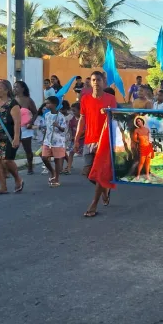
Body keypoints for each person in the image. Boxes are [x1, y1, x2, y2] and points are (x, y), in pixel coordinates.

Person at [73, 71, 118, 217]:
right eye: (93, 80)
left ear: (103, 82)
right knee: (87, 173)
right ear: (90, 82)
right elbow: (82, 119)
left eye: (98, 80)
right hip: (89, 140)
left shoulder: (110, 99)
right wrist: (76, 138)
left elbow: (115, 121)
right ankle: (105, 189)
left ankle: (94, 203)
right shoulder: (85, 99)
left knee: (98, 174)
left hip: (104, 141)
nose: (96, 82)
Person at [0, 79, 24, 196]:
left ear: (6, 90)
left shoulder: (13, 104)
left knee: (7, 160)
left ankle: (18, 179)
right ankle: (2, 187)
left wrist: (16, 138)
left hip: (10, 136)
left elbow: (17, 122)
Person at [41, 97, 70, 187]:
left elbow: (63, 130)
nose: (46, 105)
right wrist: (44, 138)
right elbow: (46, 127)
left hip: (58, 141)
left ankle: (56, 178)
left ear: (54, 105)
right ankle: (52, 171)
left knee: (57, 161)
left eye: (48, 103)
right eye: (46, 103)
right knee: (44, 157)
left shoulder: (61, 116)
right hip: (48, 141)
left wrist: (58, 126)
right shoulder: (47, 115)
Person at [14, 81, 38, 174]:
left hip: (25, 129)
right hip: (14, 128)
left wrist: (31, 122)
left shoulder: (28, 100)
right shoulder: (12, 100)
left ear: (23, 89)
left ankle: (30, 167)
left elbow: (35, 112)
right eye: (14, 87)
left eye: (17, 87)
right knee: (12, 148)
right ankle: (9, 169)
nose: (14, 89)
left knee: (27, 149)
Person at [133, 116, 154, 181]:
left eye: (139, 121)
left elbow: (149, 138)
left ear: (142, 121)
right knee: (141, 162)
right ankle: (138, 175)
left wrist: (149, 142)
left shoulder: (147, 129)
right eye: (137, 122)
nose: (138, 123)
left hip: (148, 147)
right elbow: (135, 139)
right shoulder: (136, 130)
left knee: (148, 162)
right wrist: (140, 141)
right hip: (142, 148)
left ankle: (147, 175)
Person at [67, 102, 82, 172]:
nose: (73, 112)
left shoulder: (83, 119)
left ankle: (88, 168)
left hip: (83, 140)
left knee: (85, 154)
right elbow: (70, 128)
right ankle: (68, 167)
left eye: (74, 111)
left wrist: (78, 136)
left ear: (80, 110)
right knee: (71, 152)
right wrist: (71, 136)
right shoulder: (72, 119)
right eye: (72, 110)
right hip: (74, 140)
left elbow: (85, 130)